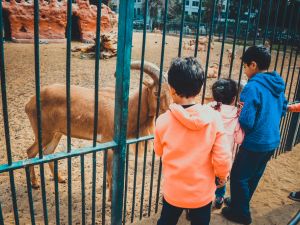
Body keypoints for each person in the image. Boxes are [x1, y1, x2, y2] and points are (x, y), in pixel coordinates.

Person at [154, 57, 232, 225]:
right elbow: (223, 157)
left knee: (166, 221)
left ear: (171, 89)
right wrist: (221, 177)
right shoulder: (213, 118)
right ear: (200, 88)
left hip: (173, 191)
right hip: (201, 194)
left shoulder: (162, 121)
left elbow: (158, 151)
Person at [221, 45, 288, 224]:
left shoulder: (252, 87)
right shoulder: (277, 84)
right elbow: (283, 109)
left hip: (255, 142)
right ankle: (239, 203)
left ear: (253, 65)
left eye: (244, 66)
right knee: (254, 174)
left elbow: (247, 120)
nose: (244, 71)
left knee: (238, 176)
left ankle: (241, 214)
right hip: (272, 140)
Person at [209, 79, 244, 209]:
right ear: (234, 98)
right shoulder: (237, 115)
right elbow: (240, 139)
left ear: (213, 96)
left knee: (206, 177)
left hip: (207, 154)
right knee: (221, 175)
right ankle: (219, 197)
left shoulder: (209, 109)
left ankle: (203, 200)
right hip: (226, 156)